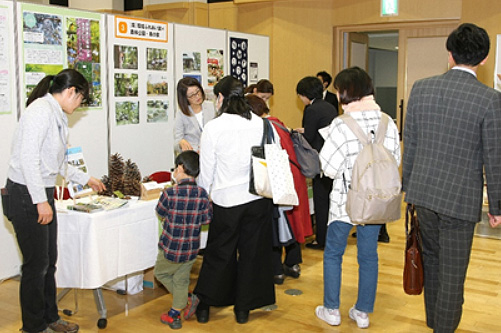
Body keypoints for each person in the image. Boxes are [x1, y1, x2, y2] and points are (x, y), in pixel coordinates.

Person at [402, 23, 501, 332]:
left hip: (424, 194)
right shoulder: (489, 99)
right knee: (452, 273)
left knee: (431, 262)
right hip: (460, 200)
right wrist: (496, 206)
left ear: (449, 53)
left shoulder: (421, 87)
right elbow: (494, 157)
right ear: (484, 59)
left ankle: (435, 323)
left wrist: (409, 187)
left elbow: (412, 142)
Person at [5, 69, 106, 333]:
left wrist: (86, 178)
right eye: (80, 100)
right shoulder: (40, 111)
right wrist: (40, 201)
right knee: (35, 266)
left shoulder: (57, 115)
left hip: (41, 192)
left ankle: (50, 318)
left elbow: (58, 162)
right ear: (72, 91)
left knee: (49, 262)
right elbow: (29, 160)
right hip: (26, 194)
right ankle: (33, 327)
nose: (79, 106)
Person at [316, 67, 400, 329]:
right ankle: (362, 312)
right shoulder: (388, 121)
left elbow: (327, 168)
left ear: (344, 93)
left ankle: (331, 310)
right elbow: (395, 161)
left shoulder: (341, 125)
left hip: (345, 202)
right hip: (376, 201)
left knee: (333, 254)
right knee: (368, 256)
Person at [193, 76, 275, 325]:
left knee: (220, 253)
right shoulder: (261, 123)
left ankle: (206, 304)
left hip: (226, 200)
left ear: (220, 98)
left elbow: (206, 173)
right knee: (253, 253)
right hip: (258, 198)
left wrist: (204, 194)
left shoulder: (214, 128)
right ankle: (243, 310)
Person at [245, 94, 312, 285]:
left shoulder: (263, 127)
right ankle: (293, 264)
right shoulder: (279, 124)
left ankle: (276, 270)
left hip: (277, 180)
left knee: (276, 225)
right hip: (293, 178)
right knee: (292, 223)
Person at [154, 151, 212, 330]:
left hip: (171, 247)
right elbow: (207, 219)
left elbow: (160, 212)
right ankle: (184, 300)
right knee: (181, 279)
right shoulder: (202, 193)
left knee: (161, 273)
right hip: (191, 248)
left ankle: (176, 311)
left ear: (180, 168)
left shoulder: (169, 193)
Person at [295, 76, 337, 250]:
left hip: (319, 160)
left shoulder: (311, 109)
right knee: (329, 200)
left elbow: (309, 138)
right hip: (332, 157)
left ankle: (321, 240)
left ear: (305, 94)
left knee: (321, 202)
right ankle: (329, 237)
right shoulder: (329, 106)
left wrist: (296, 134)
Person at [174, 77, 217, 153]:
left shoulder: (212, 107)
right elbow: (176, 142)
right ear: (185, 98)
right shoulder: (181, 114)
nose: (197, 96)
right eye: (191, 95)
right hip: (193, 156)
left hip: (212, 152)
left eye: (198, 92)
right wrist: (181, 143)